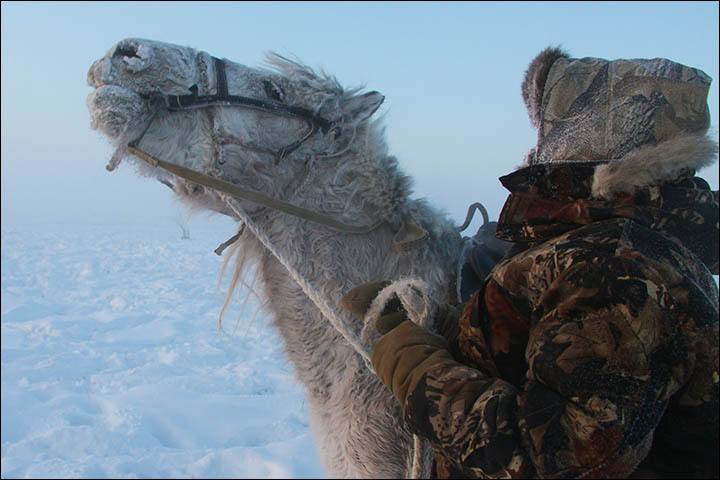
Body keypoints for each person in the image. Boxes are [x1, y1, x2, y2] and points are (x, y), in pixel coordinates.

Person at [343, 47, 719, 478]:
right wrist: (455, 330)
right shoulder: (616, 249)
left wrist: (419, 371)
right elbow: (558, 362)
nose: (537, 146)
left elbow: (550, 462)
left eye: (551, 127)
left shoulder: (614, 271)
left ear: (588, 135)